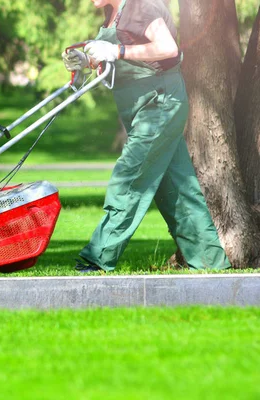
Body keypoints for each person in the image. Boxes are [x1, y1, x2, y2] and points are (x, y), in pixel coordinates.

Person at [62, 0, 231, 273]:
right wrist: (88, 61)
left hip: (159, 105)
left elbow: (167, 48)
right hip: (142, 109)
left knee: (130, 175)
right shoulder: (112, 14)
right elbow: (123, 58)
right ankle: (211, 263)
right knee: (178, 190)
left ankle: (99, 256)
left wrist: (116, 50)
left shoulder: (141, 6)